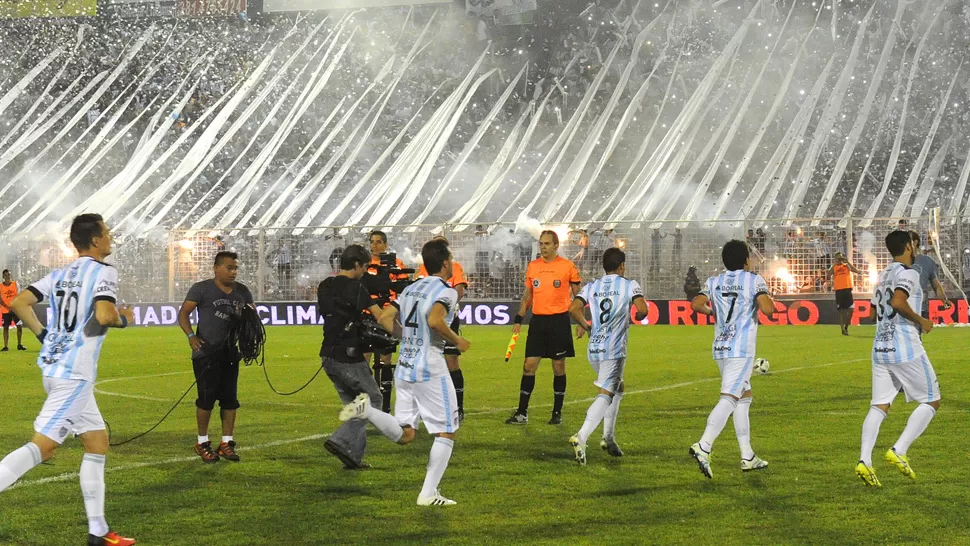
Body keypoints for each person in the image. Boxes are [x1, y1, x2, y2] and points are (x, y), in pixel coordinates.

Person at [0, 213, 136, 546]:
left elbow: (19, 302)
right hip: (74, 374)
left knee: (97, 442)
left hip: (56, 367)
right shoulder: (104, 272)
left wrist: (45, 333)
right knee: (43, 448)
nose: (111, 238)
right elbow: (104, 315)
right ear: (95, 240)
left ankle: (98, 531)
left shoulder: (59, 274)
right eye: (106, 233)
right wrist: (124, 319)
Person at [338, 238, 471, 506]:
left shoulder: (410, 289)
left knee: (406, 433)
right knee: (447, 430)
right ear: (446, 264)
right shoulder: (446, 291)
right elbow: (435, 320)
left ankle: (368, 411)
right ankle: (428, 493)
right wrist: (458, 340)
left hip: (406, 366)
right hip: (429, 367)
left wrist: (406, 336)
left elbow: (385, 318)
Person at [856, 230, 940, 487]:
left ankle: (864, 461)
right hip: (905, 346)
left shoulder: (882, 275)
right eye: (914, 244)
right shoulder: (910, 272)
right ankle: (900, 450)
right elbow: (899, 301)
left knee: (879, 405)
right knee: (932, 400)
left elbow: (872, 314)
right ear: (907, 246)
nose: (916, 248)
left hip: (880, 347)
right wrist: (921, 320)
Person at [688, 240, 776, 479]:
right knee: (729, 398)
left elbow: (696, 304)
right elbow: (768, 309)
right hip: (740, 349)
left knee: (743, 397)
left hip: (721, 346)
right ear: (746, 260)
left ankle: (747, 456)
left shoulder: (713, 282)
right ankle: (704, 445)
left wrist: (712, 312)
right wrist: (768, 301)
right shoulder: (753, 280)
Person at [567, 248, 648, 464]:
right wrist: (639, 313)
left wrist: (586, 325)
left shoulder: (592, 286)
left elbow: (573, 309)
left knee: (617, 387)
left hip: (594, 348)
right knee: (607, 393)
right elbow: (643, 309)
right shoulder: (629, 284)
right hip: (614, 350)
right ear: (621, 266)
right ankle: (582, 437)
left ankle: (609, 438)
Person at [177, 251, 255, 464]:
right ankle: (202, 442)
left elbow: (252, 318)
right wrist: (191, 336)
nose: (233, 272)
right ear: (216, 268)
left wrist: (249, 330)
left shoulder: (243, 292)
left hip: (230, 353)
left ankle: (226, 443)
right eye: (229, 267)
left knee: (230, 400)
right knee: (206, 399)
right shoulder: (202, 289)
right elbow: (183, 313)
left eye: (235, 268)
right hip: (206, 353)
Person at [318, 245, 391, 470]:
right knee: (374, 399)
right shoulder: (356, 288)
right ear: (357, 264)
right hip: (348, 355)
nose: (365, 271)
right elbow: (380, 317)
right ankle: (340, 440)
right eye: (365, 266)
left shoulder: (324, 286)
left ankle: (353, 456)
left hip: (327, 355)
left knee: (354, 404)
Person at [506, 230, 582, 426]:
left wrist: (583, 322)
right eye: (541, 243)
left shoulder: (567, 267)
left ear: (556, 246)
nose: (543, 247)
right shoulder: (533, 266)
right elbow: (528, 295)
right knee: (529, 366)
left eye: (547, 243)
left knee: (558, 366)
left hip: (559, 321)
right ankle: (522, 413)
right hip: (538, 321)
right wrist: (518, 318)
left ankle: (557, 412)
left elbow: (579, 297)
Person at [415, 236, 470, 421]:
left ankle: (458, 407)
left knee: (451, 362)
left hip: (446, 319)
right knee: (427, 362)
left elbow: (460, 289)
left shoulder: (455, 267)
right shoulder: (423, 268)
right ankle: (430, 407)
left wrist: (446, 307)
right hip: (425, 321)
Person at [366, 230, 409, 414]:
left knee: (386, 359)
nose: (374, 246)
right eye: (372, 242)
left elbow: (403, 290)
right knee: (364, 358)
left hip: (388, 314)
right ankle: (366, 402)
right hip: (367, 313)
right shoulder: (365, 263)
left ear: (385, 244)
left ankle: (385, 404)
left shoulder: (396, 265)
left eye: (378, 242)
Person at [908, 231, 950, 319]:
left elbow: (936, 286)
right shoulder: (897, 262)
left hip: (921, 309)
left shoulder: (927, 261)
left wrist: (944, 301)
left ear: (915, 242)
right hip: (902, 310)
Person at [827, 252, 861, 336]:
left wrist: (847, 262)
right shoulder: (834, 267)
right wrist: (834, 264)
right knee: (842, 311)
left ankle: (846, 326)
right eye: (838, 258)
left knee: (851, 310)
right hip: (839, 290)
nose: (839, 260)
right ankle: (843, 329)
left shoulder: (847, 266)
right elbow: (828, 275)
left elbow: (856, 271)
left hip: (848, 289)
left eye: (841, 258)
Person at [0, 269, 26, 351]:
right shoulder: (0, 286)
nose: (7, 276)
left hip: (16, 309)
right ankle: (6, 346)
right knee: (6, 327)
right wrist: (8, 307)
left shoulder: (15, 284)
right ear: (3, 276)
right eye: (6, 275)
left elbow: (18, 296)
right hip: (5, 310)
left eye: (9, 275)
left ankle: (19, 344)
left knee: (19, 326)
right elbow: (0, 300)